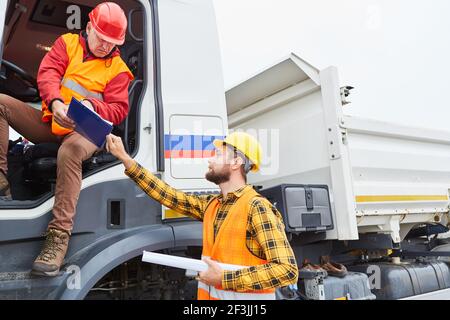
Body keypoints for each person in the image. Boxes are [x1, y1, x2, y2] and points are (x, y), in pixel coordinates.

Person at [0, 2, 133, 276]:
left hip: (87, 133)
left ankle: (58, 238)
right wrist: (57, 101)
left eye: (112, 43)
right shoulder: (67, 43)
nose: (106, 46)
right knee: (0, 103)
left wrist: (92, 107)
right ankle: (2, 185)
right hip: (55, 120)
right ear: (88, 28)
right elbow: (48, 73)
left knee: (69, 152)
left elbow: (119, 109)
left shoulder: (118, 69)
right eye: (101, 38)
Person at [106, 132, 299, 300]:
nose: (210, 160)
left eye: (218, 154)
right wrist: (126, 159)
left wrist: (224, 279)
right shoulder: (212, 205)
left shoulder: (257, 207)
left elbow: (287, 270)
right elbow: (170, 196)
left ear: (236, 162)